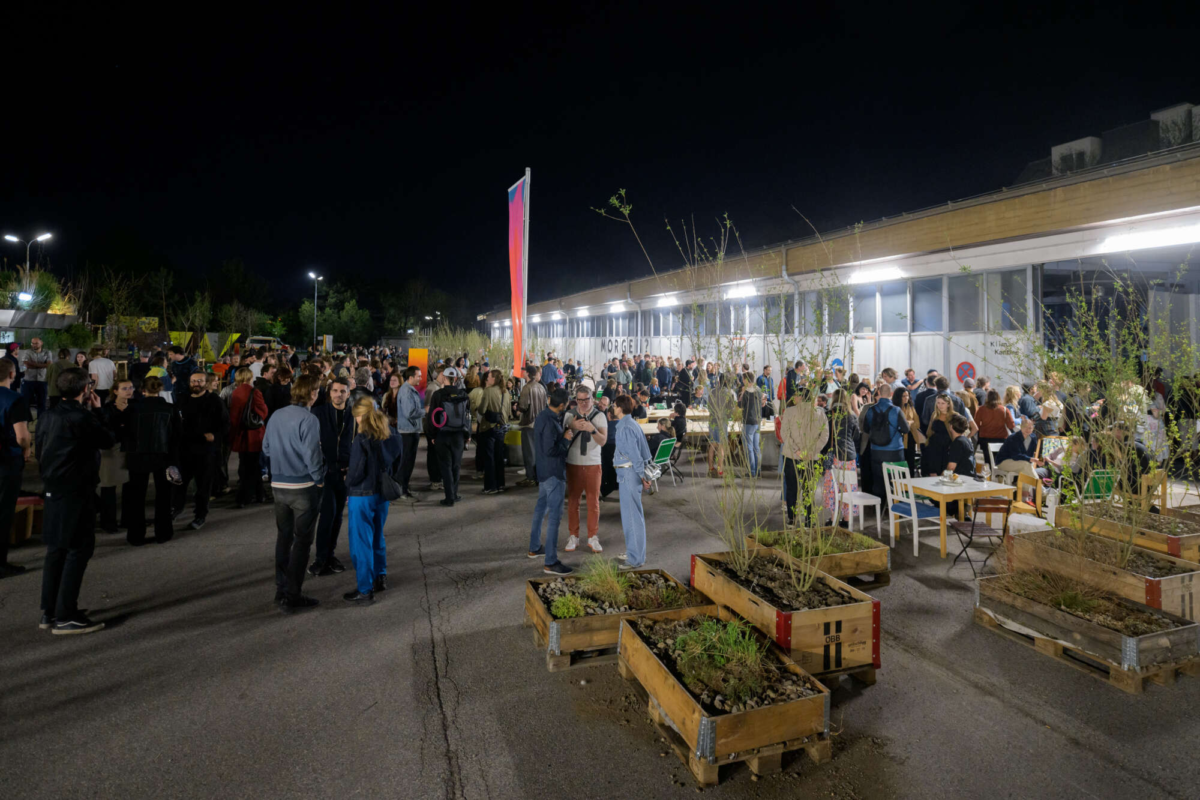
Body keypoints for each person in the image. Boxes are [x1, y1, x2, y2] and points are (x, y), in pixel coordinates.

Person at [37, 367, 117, 634]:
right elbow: (107, 439)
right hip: (76, 489)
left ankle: (50, 611)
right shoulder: (81, 417)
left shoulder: (47, 415)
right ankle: (66, 615)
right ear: (86, 389)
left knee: (57, 550)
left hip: (53, 488)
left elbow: (40, 450)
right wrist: (99, 410)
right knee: (78, 549)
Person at [263, 374, 325, 613]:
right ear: (312, 393)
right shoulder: (309, 419)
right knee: (302, 541)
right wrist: (319, 480)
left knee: (284, 537)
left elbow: (266, 448)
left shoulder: (277, 415)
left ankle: (281, 589)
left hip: (279, 485)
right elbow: (312, 456)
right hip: (302, 486)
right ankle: (293, 594)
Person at [342, 397, 402, 604]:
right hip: (382, 494)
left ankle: (365, 590)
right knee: (377, 536)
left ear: (361, 416)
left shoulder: (362, 438)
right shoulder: (392, 434)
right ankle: (380, 576)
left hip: (362, 495)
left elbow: (357, 471)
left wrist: (347, 482)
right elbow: (398, 463)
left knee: (361, 542)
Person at [125, 376, 183, 545]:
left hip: (137, 455)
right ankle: (163, 533)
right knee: (164, 496)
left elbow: (126, 433)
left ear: (142, 390)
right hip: (164, 455)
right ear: (160, 389)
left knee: (136, 496)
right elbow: (177, 435)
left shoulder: (132, 409)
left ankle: (135, 535)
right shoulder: (170, 408)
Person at [527, 387, 578, 574]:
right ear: (562, 405)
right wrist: (566, 439)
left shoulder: (543, 415)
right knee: (555, 517)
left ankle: (534, 547)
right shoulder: (550, 421)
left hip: (543, 470)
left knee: (541, 509)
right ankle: (550, 561)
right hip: (553, 473)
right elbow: (551, 449)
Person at [309, 377, 353, 577]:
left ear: (348, 393)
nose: (338, 395)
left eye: (342, 391)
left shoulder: (353, 414)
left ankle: (330, 555)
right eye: (335, 390)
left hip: (345, 473)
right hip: (324, 472)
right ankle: (320, 558)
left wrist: (352, 468)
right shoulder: (318, 413)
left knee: (337, 517)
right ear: (329, 392)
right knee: (328, 514)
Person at [174, 371, 228, 530]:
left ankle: (200, 515)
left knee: (203, 486)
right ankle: (176, 509)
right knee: (179, 484)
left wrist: (215, 436)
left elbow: (225, 424)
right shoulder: (183, 400)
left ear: (205, 383)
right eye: (193, 381)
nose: (196, 384)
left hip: (206, 451)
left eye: (199, 381)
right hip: (184, 449)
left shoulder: (214, 400)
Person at [563, 386, 607, 552]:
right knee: (573, 501)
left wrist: (592, 429)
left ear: (592, 399)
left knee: (593, 502)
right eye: (579, 400)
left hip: (593, 463)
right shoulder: (569, 415)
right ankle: (573, 536)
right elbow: (561, 438)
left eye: (586, 399)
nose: (582, 403)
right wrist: (571, 426)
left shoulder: (600, 416)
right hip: (573, 463)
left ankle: (592, 537)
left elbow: (603, 441)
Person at [611, 395, 652, 570]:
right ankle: (634, 552)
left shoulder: (625, 427)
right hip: (631, 474)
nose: (613, 408)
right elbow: (645, 452)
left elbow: (635, 455)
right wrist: (644, 475)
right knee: (633, 516)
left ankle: (635, 559)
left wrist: (643, 475)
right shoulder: (632, 424)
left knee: (631, 518)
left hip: (628, 474)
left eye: (615, 406)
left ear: (620, 408)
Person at [779, 390, 830, 526]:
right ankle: (809, 521)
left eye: (795, 395)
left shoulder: (789, 412)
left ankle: (792, 519)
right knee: (809, 489)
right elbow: (825, 435)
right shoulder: (820, 413)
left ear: (800, 397)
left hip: (791, 455)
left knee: (792, 488)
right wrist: (812, 450)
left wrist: (797, 451)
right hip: (812, 457)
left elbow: (784, 433)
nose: (794, 398)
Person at [0, 360, 31, 577]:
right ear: (12, 374)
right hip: (6, 461)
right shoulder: (15, 399)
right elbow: (22, 437)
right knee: (3, 512)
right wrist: (27, 448)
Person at [427, 367, 471, 507]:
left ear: (444, 378)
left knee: (445, 466)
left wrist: (432, 435)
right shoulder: (463, 394)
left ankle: (449, 497)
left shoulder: (438, 395)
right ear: (456, 379)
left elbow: (432, 416)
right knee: (456, 465)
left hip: (442, 435)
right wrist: (467, 435)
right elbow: (467, 417)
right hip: (458, 435)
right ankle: (455, 494)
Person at [861, 383, 909, 500]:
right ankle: (895, 504)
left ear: (878, 393)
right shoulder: (896, 410)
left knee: (878, 480)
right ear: (891, 394)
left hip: (876, 450)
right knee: (896, 480)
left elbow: (866, 429)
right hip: (895, 451)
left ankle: (880, 505)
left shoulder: (871, 410)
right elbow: (905, 429)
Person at [98, 380, 134, 534]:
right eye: (124, 388)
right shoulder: (107, 409)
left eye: (131, 388)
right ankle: (108, 522)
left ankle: (127, 519)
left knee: (130, 486)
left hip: (130, 449)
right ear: (115, 391)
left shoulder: (135, 406)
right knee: (108, 487)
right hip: (111, 450)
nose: (129, 390)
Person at [229, 367, 269, 508]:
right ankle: (247, 496)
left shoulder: (235, 392)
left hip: (240, 433)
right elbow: (263, 411)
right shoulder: (254, 392)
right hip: (253, 433)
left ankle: (258, 493)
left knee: (246, 464)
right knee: (253, 465)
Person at [478, 369, 511, 495]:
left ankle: (491, 486)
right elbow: (508, 412)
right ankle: (500, 484)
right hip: (502, 427)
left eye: (490, 376)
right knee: (499, 457)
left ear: (494, 379)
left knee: (489, 457)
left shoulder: (488, 391)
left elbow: (481, 410)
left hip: (489, 427)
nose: (487, 378)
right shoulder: (506, 392)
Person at [395, 366, 424, 500]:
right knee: (406, 462)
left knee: (409, 461)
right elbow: (409, 413)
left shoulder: (409, 389)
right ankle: (401, 490)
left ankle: (404, 488)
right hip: (408, 432)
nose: (421, 378)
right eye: (419, 376)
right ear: (411, 377)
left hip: (411, 430)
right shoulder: (406, 391)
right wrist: (425, 411)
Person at [517, 365, 547, 488]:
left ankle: (530, 478)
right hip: (540, 424)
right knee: (537, 452)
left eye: (524, 371)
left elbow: (523, 407)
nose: (522, 373)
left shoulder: (527, 388)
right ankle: (538, 476)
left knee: (529, 452)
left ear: (527, 373)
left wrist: (517, 408)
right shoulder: (541, 387)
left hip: (529, 423)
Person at [944, 414, 977, 519]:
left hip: (959, 480)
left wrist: (941, 476)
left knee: (936, 497)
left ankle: (958, 509)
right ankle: (961, 510)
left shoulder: (957, 443)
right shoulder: (967, 440)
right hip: (970, 477)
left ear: (951, 426)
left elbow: (951, 467)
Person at [975, 389, 1015, 455]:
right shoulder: (1004, 410)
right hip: (1001, 439)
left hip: (985, 439)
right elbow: (1011, 425)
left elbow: (976, 425)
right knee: (999, 459)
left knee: (987, 459)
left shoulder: (981, 409)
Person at [738, 373, 763, 477]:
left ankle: (752, 471)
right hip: (757, 420)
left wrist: (742, 393)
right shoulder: (758, 390)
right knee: (756, 447)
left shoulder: (747, 392)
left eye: (743, 379)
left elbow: (740, 405)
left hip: (748, 421)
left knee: (749, 448)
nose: (742, 381)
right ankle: (758, 470)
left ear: (746, 380)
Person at [20, 337, 51, 418]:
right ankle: (27, 420)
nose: (34, 345)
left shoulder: (47, 352)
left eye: (36, 343)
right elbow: (26, 364)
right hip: (28, 380)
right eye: (32, 343)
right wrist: (42, 365)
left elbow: (49, 365)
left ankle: (40, 421)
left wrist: (33, 364)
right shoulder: (27, 352)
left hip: (42, 380)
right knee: (26, 402)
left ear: (41, 343)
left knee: (42, 402)